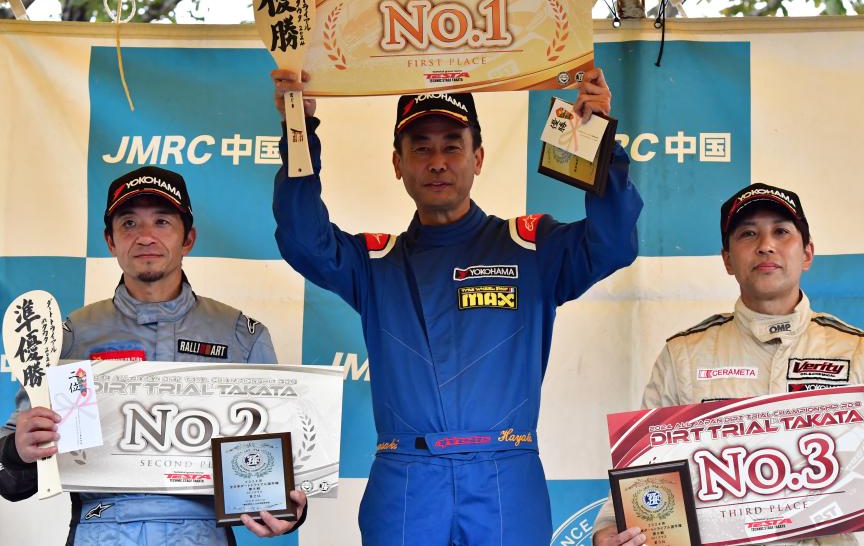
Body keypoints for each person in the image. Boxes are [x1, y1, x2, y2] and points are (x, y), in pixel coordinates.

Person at [271, 69, 643, 545]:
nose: (437, 162)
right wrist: (298, 127)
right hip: (405, 479)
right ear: (397, 163)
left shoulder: (531, 247)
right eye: (420, 148)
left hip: (506, 476)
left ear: (478, 158)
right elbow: (303, 239)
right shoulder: (375, 262)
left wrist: (597, 135)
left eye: (452, 146)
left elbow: (613, 243)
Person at [0, 166, 306, 545]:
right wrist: (19, 451)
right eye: (128, 223)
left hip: (203, 535)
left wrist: (287, 509)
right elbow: (10, 480)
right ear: (109, 241)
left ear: (188, 238)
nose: (144, 236)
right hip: (99, 530)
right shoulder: (69, 337)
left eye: (162, 221)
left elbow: (274, 468)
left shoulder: (240, 335)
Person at [593, 182, 864, 546]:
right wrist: (611, 527)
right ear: (727, 259)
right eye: (748, 233)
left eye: (781, 231)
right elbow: (645, 471)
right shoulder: (683, 355)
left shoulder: (860, 352)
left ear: (807, 253)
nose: (766, 244)